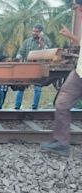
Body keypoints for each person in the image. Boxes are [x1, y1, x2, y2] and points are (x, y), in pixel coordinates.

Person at [40, 0, 82, 156]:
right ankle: (61, 143)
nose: (76, 10)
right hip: (79, 73)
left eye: (77, 7)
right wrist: (70, 36)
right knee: (62, 104)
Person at [14, 24, 52, 110]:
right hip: (27, 67)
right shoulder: (27, 41)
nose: (34, 33)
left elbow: (47, 50)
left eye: (36, 31)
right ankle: (17, 106)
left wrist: (41, 40)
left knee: (37, 87)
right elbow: (21, 51)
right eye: (33, 31)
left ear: (41, 32)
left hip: (39, 68)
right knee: (21, 86)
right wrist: (18, 58)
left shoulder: (46, 40)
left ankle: (34, 107)